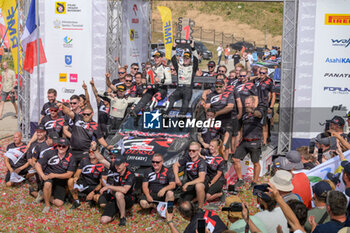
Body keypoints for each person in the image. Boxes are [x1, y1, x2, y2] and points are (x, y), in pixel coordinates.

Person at [35, 138, 76, 213]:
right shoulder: (49, 153)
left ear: (68, 147)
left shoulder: (71, 157)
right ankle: (47, 205)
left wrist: (54, 175)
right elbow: (37, 165)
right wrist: (43, 175)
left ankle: (43, 195)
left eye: (63, 146)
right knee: (47, 184)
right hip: (49, 176)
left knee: (59, 203)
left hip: (61, 180)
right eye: (59, 146)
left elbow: (69, 174)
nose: (61, 148)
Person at [233, 96, 264, 189]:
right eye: (245, 103)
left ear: (253, 103)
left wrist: (252, 111)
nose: (246, 105)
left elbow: (259, 115)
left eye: (248, 103)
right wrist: (238, 140)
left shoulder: (259, 111)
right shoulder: (244, 115)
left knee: (255, 162)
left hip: (255, 141)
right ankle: (240, 180)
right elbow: (241, 128)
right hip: (244, 141)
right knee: (235, 159)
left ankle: (254, 182)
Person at [96, 154, 135, 226]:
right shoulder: (115, 169)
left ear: (124, 164)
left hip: (127, 199)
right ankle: (115, 212)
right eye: (116, 165)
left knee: (119, 194)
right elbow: (101, 160)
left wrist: (109, 187)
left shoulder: (130, 174)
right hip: (114, 199)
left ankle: (122, 217)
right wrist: (95, 150)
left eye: (119, 165)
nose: (117, 167)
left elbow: (125, 190)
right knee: (104, 220)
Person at [131, 51, 171, 116]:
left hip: (161, 89)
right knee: (145, 97)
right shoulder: (151, 69)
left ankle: (149, 111)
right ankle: (135, 112)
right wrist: (146, 81)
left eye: (157, 58)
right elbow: (149, 81)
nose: (156, 59)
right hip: (152, 88)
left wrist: (160, 80)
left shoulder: (165, 68)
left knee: (155, 98)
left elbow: (169, 81)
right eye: (155, 58)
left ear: (161, 58)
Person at [204, 79, 235, 160]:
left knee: (225, 143)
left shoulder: (229, 94)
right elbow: (207, 106)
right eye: (216, 86)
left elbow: (230, 107)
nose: (218, 88)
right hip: (214, 121)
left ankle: (225, 161)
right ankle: (214, 159)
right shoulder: (211, 95)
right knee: (213, 141)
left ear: (224, 86)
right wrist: (208, 115)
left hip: (226, 121)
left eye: (220, 86)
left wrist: (217, 113)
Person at [173, 142, 208, 210]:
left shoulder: (201, 162)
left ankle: (200, 207)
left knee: (198, 185)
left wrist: (187, 184)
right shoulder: (187, 158)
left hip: (201, 183)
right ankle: (196, 198)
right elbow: (175, 165)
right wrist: (177, 178)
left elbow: (201, 179)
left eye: (193, 151)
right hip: (191, 183)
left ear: (198, 151)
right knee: (182, 203)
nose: (191, 152)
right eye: (189, 150)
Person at [167, 41, 199, 116]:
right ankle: (166, 114)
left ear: (190, 59)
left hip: (187, 89)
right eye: (184, 57)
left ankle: (181, 115)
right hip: (179, 88)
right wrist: (174, 47)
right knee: (171, 98)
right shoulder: (179, 67)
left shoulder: (192, 68)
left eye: (187, 58)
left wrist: (193, 47)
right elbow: (173, 58)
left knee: (185, 101)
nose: (185, 59)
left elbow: (196, 60)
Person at [254, 66, 275, 146]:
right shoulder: (256, 80)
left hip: (264, 105)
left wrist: (271, 107)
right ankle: (258, 139)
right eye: (260, 72)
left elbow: (273, 95)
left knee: (263, 123)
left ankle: (264, 141)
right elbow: (248, 78)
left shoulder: (269, 82)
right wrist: (257, 76)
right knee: (256, 123)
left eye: (263, 73)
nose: (261, 74)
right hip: (255, 104)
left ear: (266, 74)